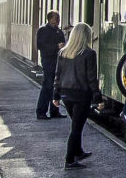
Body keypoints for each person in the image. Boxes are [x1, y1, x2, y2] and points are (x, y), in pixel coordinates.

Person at [57, 23, 98, 167]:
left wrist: (56, 96)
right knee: (76, 128)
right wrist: (97, 97)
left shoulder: (63, 52)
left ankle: (79, 151)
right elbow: (92, 78)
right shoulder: (89, 53)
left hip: (66, 94)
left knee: (76, 124)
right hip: (81, 95)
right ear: (87, 36)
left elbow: (58, 75)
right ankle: (69, 160)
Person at [34, 11, 65, 119]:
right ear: (50, 19)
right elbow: (40, 46)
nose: (58, 20)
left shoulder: (59, 31)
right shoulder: (43, 30)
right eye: (56, 18)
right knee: (47, 86)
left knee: (56, 87)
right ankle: (41, 111)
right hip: (48, 61)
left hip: (58, 61)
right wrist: (56, 47)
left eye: (59, 18)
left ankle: (54, 111)